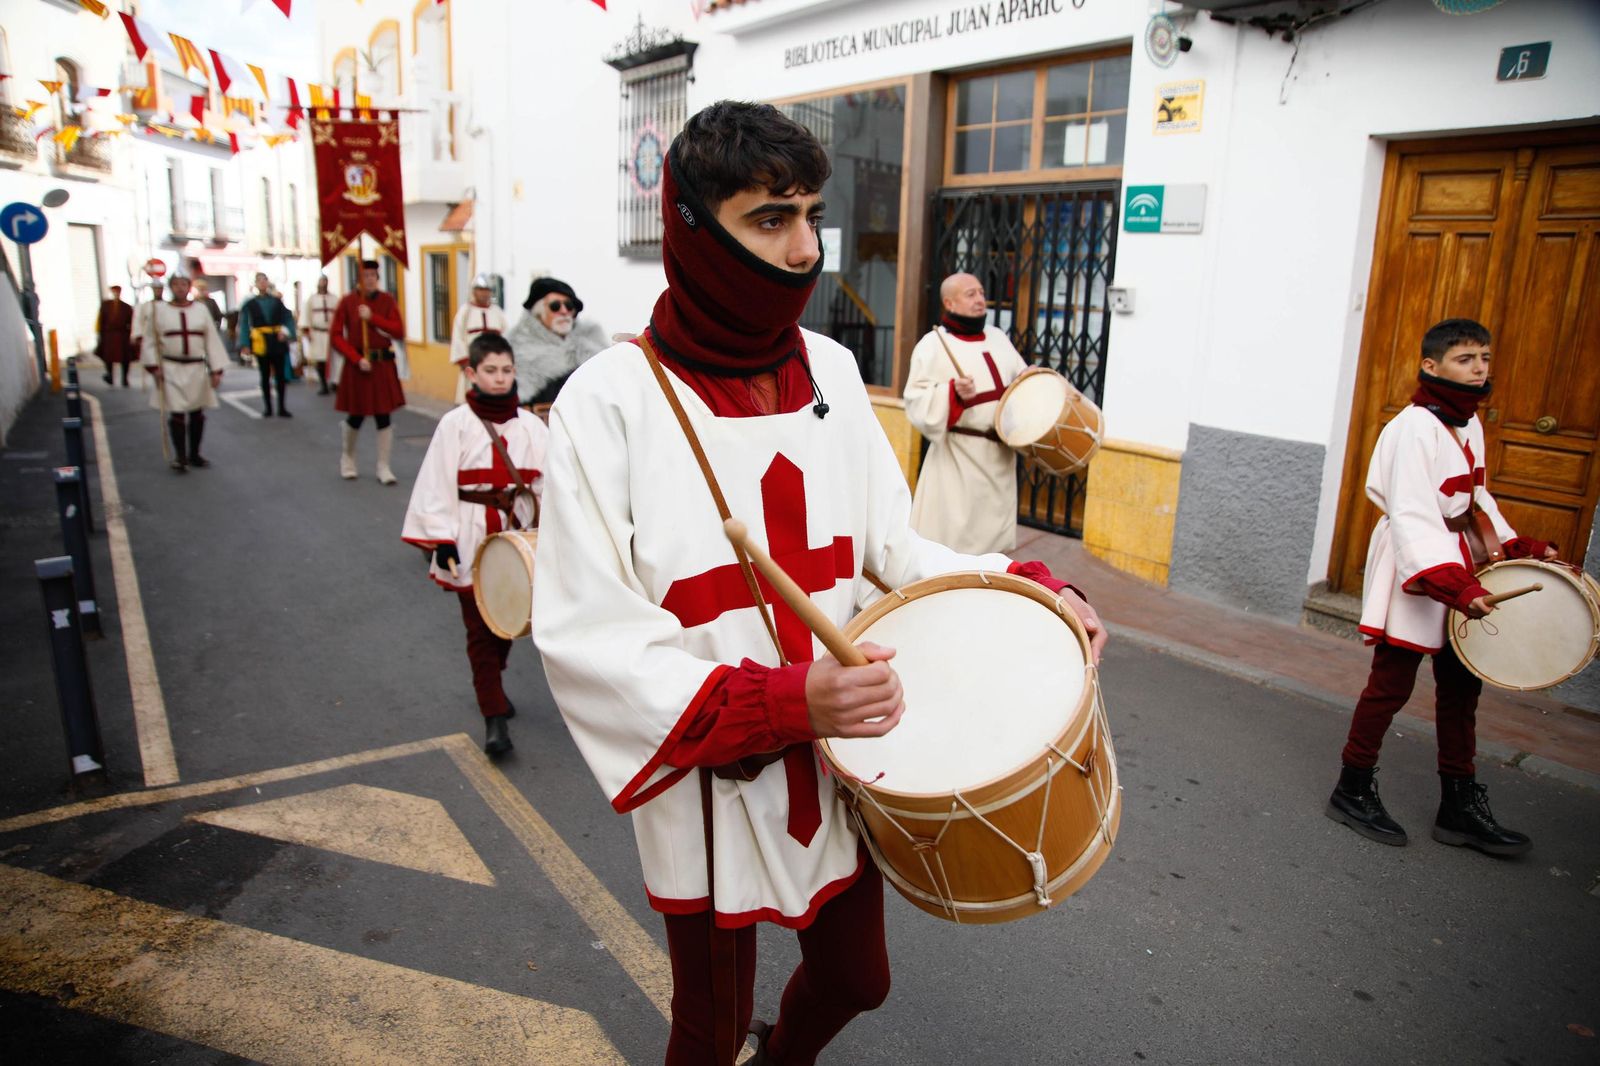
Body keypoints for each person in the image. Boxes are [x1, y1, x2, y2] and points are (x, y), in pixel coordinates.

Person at [532, 101, 1105, 1066]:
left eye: (811, 216)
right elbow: (588, 637)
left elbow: (902, 552)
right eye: (770, 219)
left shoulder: (833, 368)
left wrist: (1030, 589)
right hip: (715, 764)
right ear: (693, 228)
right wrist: (786, 699)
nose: (804, 249)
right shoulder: (609, 400)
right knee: (707, 1031)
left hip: (841, 757)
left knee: (856, 981)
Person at [1326, 318, 1556, 857]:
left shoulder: (1468, 423)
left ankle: (1458, 806)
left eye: (1484, 358)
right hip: (1419, 560)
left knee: (1461, 686)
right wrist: (1450, 585)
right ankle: (1351, 788)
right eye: (1465, 359)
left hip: (1459, 559)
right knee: (1391, 683)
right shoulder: (1412, 427)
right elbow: (1410, 513)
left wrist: (1516, 545)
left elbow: (1475, 500)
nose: (1479, 368)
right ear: (1431, 366)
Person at [401, 333, 548, 756]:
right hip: (469, 536)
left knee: (507, 623)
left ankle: (493, 685)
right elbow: (436, 482)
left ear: (514, 372)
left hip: (516, 541)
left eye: (506, 371)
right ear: (472, 373)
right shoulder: (456, 424)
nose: (500, 379)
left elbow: (552, 485)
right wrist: (441, 541)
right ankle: (494, 717)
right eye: (490, 371)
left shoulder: (532, 427)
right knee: (480, 631)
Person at [902, 273, 1029, 555]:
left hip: (999, 457)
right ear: (950, 302)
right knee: (953, 542)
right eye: (970, 294)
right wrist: (952, 393)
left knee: (994, 546)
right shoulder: (932, 344)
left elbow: (1021, 382)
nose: (980, 299)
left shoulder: (997, 338)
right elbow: (915, 400)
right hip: (958, 458)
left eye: (981, 292)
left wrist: (1031, 380)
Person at [331, 259, 407, 484]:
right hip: (359, 367)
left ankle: (383, 466)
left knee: (384, 416)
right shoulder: (347, 302)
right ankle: (348, 459)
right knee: (356, 416)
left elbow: (398, 330)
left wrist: (372, 317)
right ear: (359, 278)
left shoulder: (386, 300)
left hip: (382, 366)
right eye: (365, 276)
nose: (370, 279)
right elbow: (336, 336)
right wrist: (355, 358)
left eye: (373, 275)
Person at [142, 274, 227, 473]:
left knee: (197, 413)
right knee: (177, 412)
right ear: (170, 287)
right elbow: (150, 341)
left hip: (196, 368)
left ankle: (194, 453)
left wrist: (216, 369)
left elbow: (211, 339)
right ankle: (180, 457)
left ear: (189, 287)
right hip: (171, 368)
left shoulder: (200, 310)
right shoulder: (160, 311)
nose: (180, 288)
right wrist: (154, 367)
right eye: (176, 285)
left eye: (183, 284)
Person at [507, 276, 607, 407]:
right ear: (539, 312)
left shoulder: (592, 343)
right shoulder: (517, 348)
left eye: (569, 305)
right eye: (555, 306)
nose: (564, 311)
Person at [238, 272, 298, 417]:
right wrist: (245, 344)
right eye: (259, 281)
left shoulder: (277, 301)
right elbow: (244, 325)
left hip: (277, 340)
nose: (262, 283)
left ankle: (282, 407)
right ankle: (268, 408)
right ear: (256, 284)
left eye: (264, 280)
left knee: (280, 375)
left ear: (267, 282)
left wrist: (286, 332)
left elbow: (288, 317)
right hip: (261, 342)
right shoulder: (249, 304)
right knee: (264, 375)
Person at [449, 274, 509, 405]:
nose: (484, 294)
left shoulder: (497, 312)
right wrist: (465, 362)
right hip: (472, 365)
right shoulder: (465, 312)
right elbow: (457, 338)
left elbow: (506, 337)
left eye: (487, 290)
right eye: (481, 290)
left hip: (495, 365)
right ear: (474, 291)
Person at [300, 276, 337, 395]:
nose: (323, 284)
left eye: (325, 281)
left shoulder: (334, 299)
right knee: (320, 360)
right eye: (321, 281)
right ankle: (323, 384)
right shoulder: (312, 299)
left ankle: (334, 382)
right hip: (317, 333)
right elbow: (305, 316)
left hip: (331, 333)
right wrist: (306, 332)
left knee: (332, 359)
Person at [96, 285, 135, 387]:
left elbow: (131, 322)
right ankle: (110, 376)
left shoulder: (126, 307)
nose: (116, 294)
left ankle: (124, 379)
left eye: (117, 292)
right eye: (114, 292)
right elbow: (101, 321)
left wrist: (131, 335)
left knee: (125, 358)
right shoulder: (106, 305)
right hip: (109, 335)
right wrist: (101, 335)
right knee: (108, 357)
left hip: (122, 335)